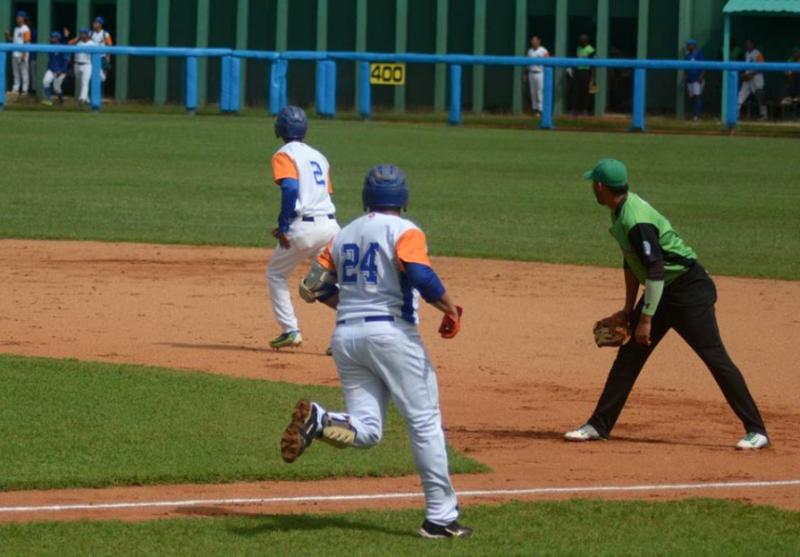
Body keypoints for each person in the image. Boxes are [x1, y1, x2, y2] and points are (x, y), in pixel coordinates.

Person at [280, 164, 471, 539]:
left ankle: (319, 419)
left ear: (367, 197)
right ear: (403, 198)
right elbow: (420, 275)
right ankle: (440, 516)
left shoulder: (344, 234)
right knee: (424, 422)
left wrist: (353, 303)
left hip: (347, 340)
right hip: (392, 337)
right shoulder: (405, 230)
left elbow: (310, 287)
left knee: (367, 431)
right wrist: (449, 306)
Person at [564, 159, 769, 451]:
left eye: (592, 185)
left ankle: (757, 431)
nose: (592, 190)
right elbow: (633, 261)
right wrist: (627, 309)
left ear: (600, 187)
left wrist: (645, 319)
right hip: (662, 291)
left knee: (714, 357)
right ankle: (599, 425)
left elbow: (656, 270)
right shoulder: (620, 211)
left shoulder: (636, 219)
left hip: (688, 291)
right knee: (630, 356)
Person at [267, 106, 340, 350]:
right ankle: (345, 337)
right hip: (331, 227)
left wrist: (283, 224)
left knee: (276, 275)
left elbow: (290, 188)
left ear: (280, 129)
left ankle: (290, 330)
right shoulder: (319, 156)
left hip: (303, 228)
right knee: (331, 282)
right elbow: (324, 193)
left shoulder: (284, 154)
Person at [738, 39, 767, 121]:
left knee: (760, 96)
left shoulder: (757, 53)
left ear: (753, 44)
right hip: (748, 78)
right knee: (741, 95)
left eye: (749, 43)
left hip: (756, 77)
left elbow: (762, 66)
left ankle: (764, 116)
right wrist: (744, 74)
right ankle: (735, 115)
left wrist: (752, 74)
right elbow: (746, 67)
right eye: (746, 44)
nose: (747, 45)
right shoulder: (746, 54)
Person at [5, 11, 32, 96]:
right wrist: (8, 36)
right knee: (16, 73)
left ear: (23, 18)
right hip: (15, 54)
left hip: (22, 54)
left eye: (19, 17)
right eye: (17, 17)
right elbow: (14, 40)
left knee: (24, 73)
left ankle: (24, 90)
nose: (17, 19)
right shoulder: (16, 29)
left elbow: (27, 42)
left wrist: (24, 54)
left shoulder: (26, 28)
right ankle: (15, 89)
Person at [570, 34, 595, 116]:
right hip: (577, 71)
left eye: (583, 40)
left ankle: (585, 110)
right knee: (575, 91)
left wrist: (592, 76)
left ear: (587, 41)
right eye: (580, 39)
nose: (581, 41)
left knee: (585, 91)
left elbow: (593, 63)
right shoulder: (578, 48)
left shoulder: (590, 49)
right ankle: (575, 110)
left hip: (586, 72)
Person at [41, 31, 69, 106]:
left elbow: (66, 61)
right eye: (52, 37)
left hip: (61, 71)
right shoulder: (50, 47)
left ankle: (61, 100)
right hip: (51, 69)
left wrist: (61, 71)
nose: (52, 38)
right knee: (45, 81)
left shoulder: (63, 48)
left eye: (54, 37)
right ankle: (49, 99)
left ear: (58, 39)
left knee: (56, 88)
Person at [70, 28, 96, 105]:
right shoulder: (78, 43)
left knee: (85, 82)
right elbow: (68, 45)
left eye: (84, 33)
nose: (82, 35)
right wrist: (75, 39)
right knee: (80, 82)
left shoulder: (92, 44)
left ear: (88, 35)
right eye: (81, 33)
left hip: (87, 65)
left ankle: (82, 99)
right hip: (77, 64)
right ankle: (87, 99)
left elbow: (100, 54)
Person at [525, 35, 549, 115]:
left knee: (539, 92)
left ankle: (540, 109)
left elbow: (548, 61)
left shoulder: (543, 50)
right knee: (533, 92)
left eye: (535, 40)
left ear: (539, 41)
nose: (533, 42)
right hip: (531, 73)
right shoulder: (529, 51)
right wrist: (525, 73)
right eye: (532, 40)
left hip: (540, 73)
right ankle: (534, 109)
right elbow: (527, 64)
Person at [685, 39, 705, 121]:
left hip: (697, 79)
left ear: (694, 46)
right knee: (692, 97)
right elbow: (685, 68)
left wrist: (701, 76)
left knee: (697, 97)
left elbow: (704, 66)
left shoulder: (699, 54)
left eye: (689, 45)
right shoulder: (687, 55)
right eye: (688, 45)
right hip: (690, 79)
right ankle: (696, 114)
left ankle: (697, 116)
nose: (688, 46)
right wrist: (685, 78)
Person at [90, 16, 113, 82]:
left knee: (103, 79)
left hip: (102, 57)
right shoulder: (91, 33)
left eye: (96, 23)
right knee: (92, 77)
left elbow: (109, 46)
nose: (94, 24)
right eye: (94, 23)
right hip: (92, 57)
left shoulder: (105, 34)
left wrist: (108, 57)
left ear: (101, 24)